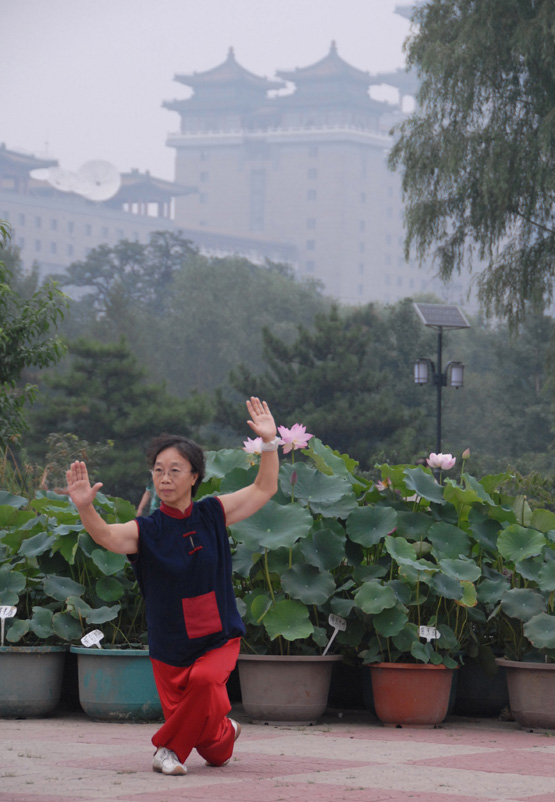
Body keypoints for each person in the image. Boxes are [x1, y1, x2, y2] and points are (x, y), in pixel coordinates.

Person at [66, 396, 280, 776]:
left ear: (195, 476)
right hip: (170, 646)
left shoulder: (213, 513)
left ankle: (166, 750)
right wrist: (86, 507)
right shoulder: (146, 531)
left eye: (175, 470)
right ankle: (223, 730)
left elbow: (264, 488)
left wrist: (268, 443)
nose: (164, 478)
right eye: (158, 470)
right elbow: (107, 536)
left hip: (218, 636)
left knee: (204, 680)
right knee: (216, 753)